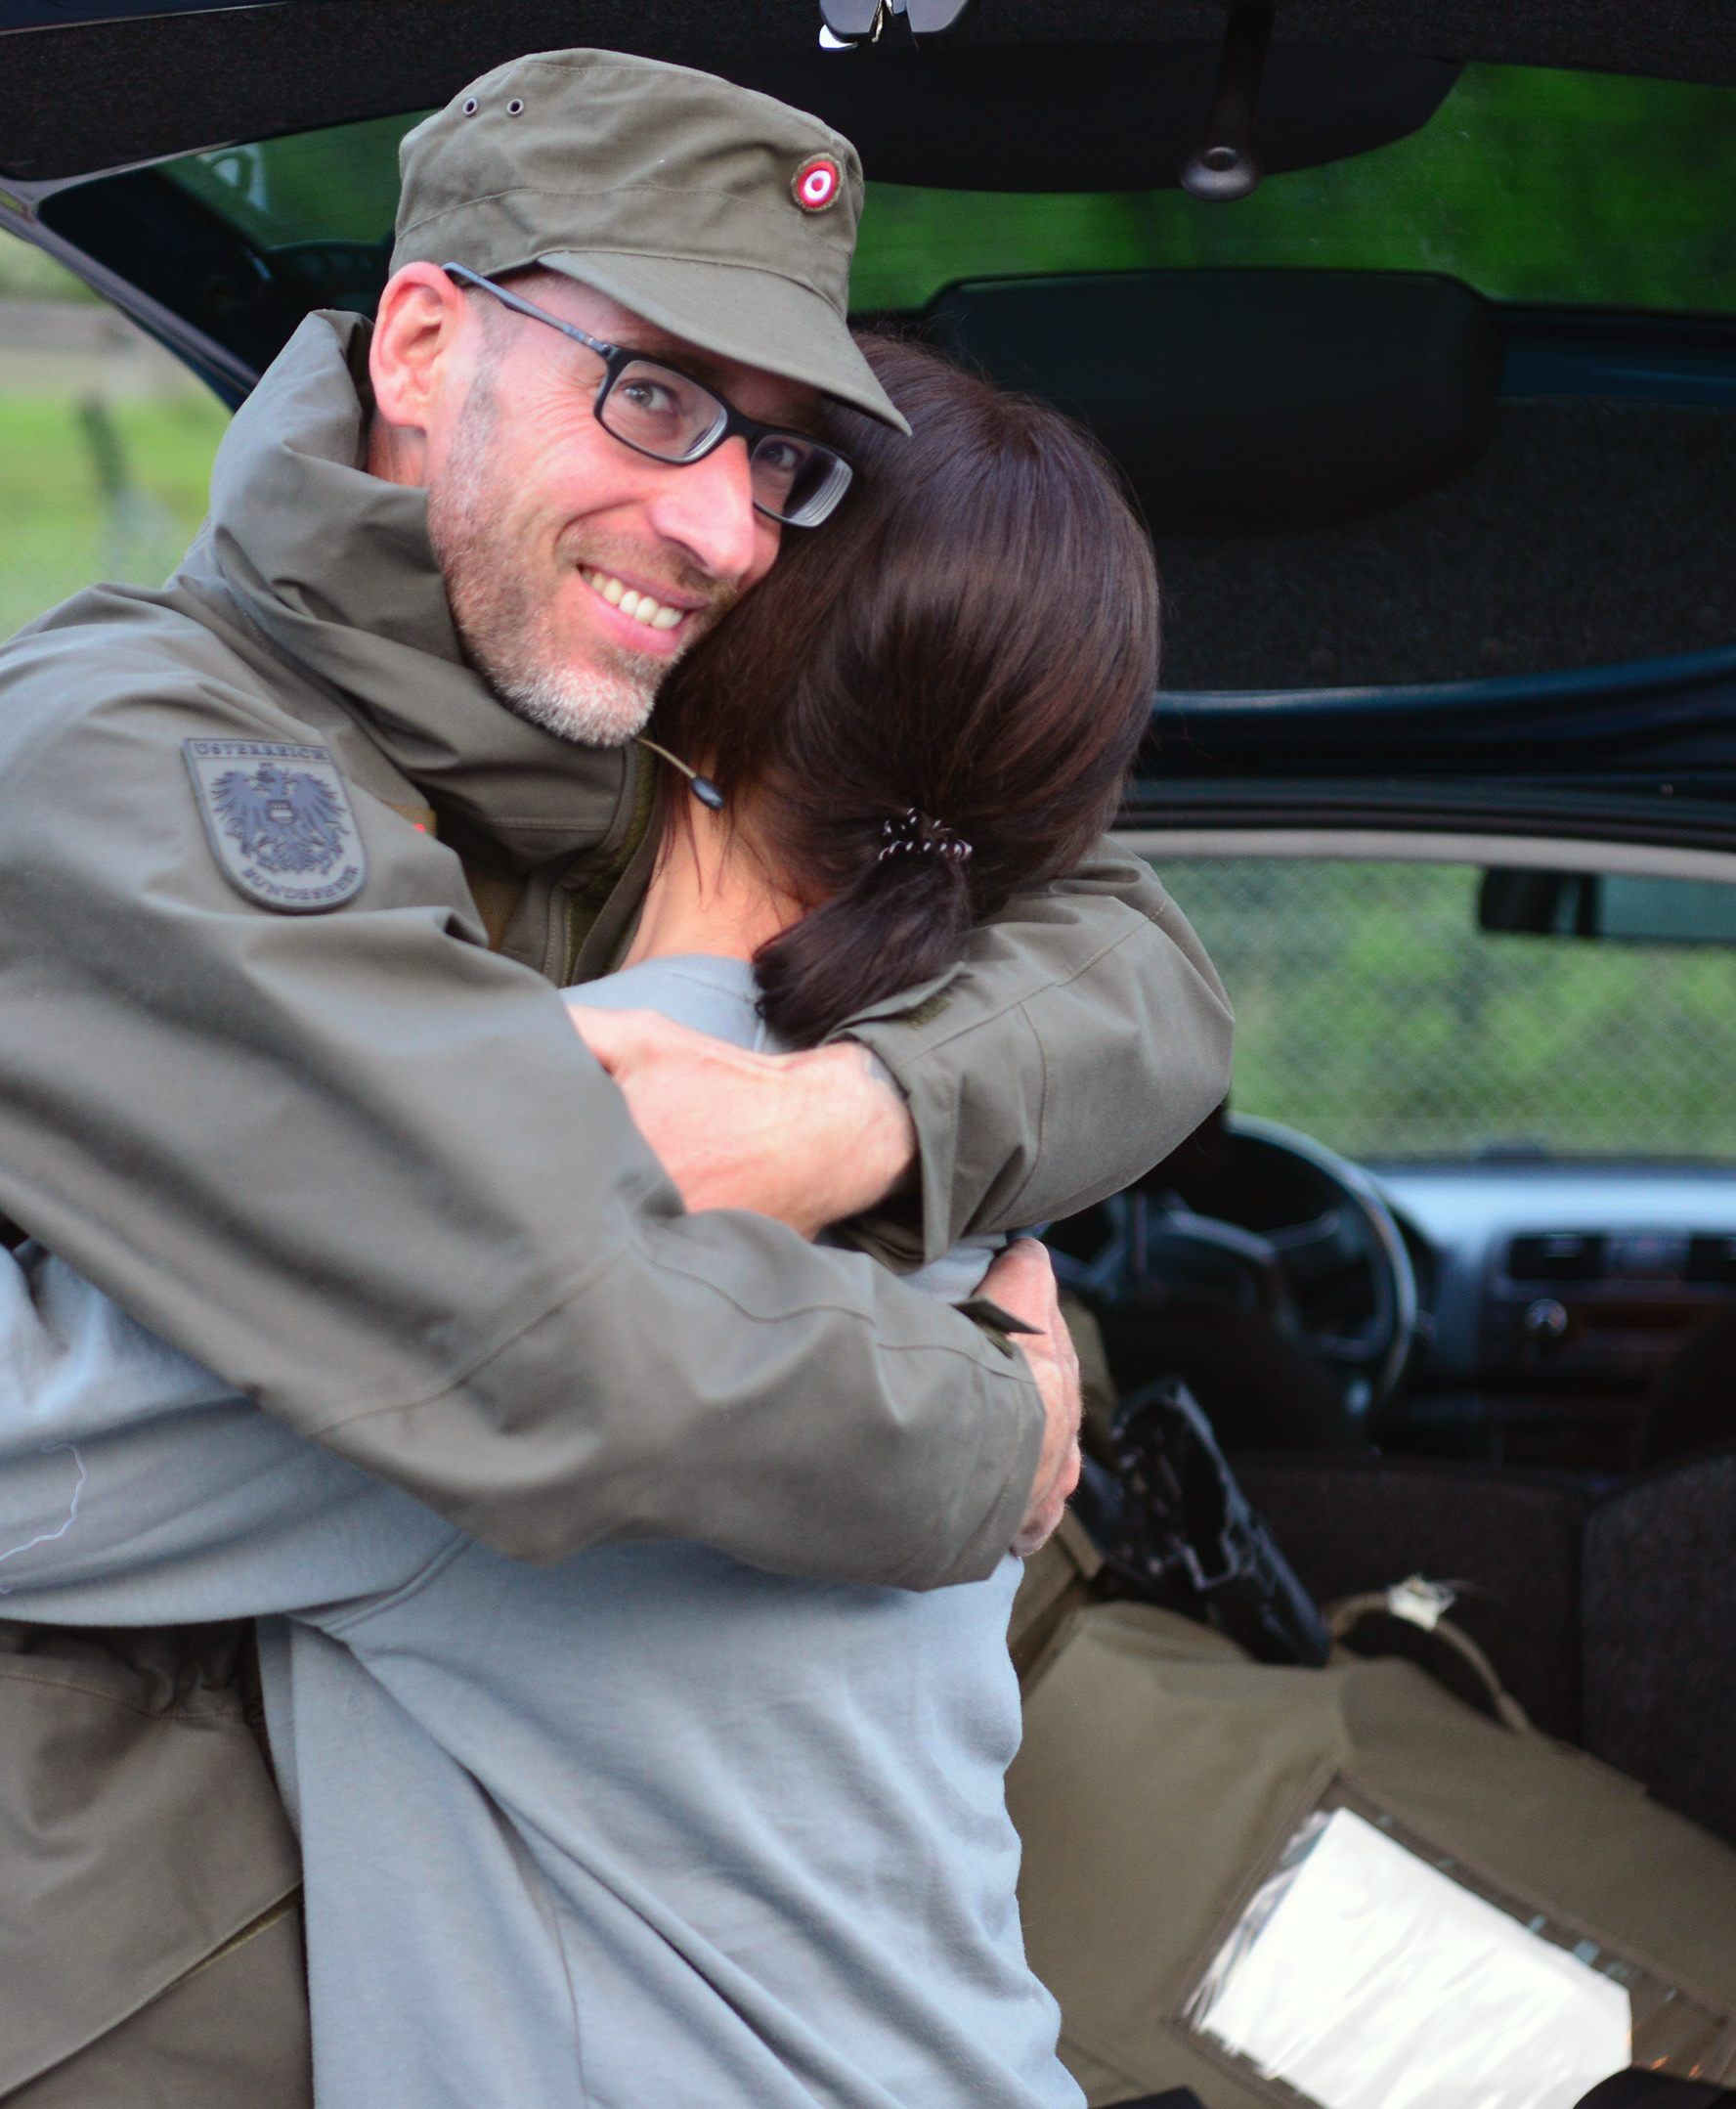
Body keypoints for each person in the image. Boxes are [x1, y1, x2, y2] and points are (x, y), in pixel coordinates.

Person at [0, 337, 1159, 2106]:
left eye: (770, 493)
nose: (706, 520)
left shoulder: (517, 1207)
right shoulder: (943, 1166)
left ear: (698, 657)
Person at [0, 50, 1229, 1604]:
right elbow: (538, 1326)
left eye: (778, 454)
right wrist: (1000, 1424)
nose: (724, 530)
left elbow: (1135, 957)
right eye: (652, 394)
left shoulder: (631, 686)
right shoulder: (122, 755)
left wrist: (853, 1116)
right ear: (427, 346)